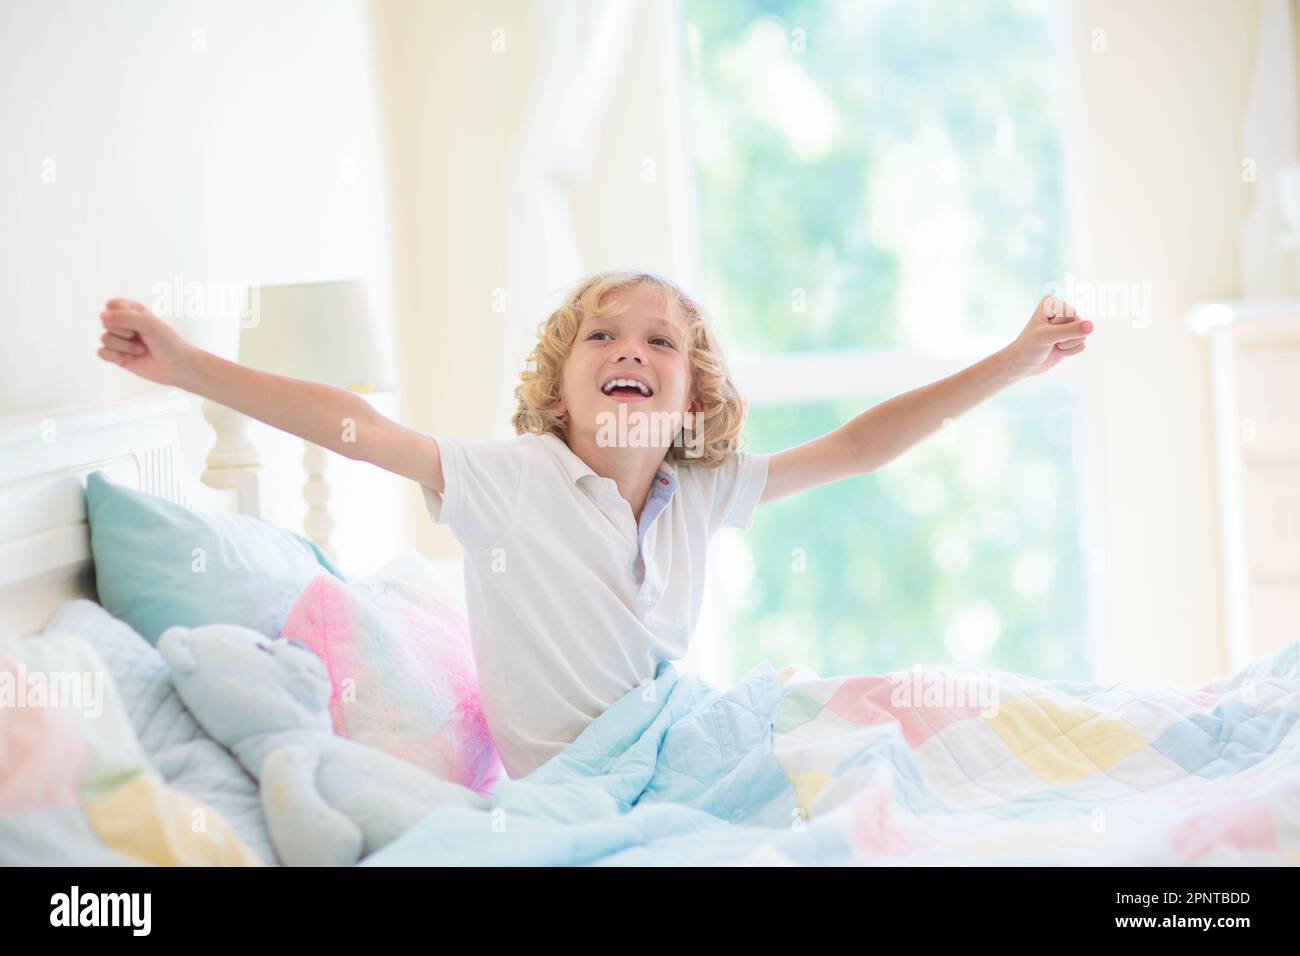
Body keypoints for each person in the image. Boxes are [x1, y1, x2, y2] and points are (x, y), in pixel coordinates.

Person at [97, 269, 1092, 777]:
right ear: (559, 391)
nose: (630, 346)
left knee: (913, 720)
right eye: (602, 334)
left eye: (660, 339)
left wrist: (1010, 360)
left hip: (690, 737)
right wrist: (186, 367)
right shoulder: (506, 479)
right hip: (598, 777)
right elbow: (357, 430)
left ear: (689, 405)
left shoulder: (700, 491)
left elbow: (858, 447)